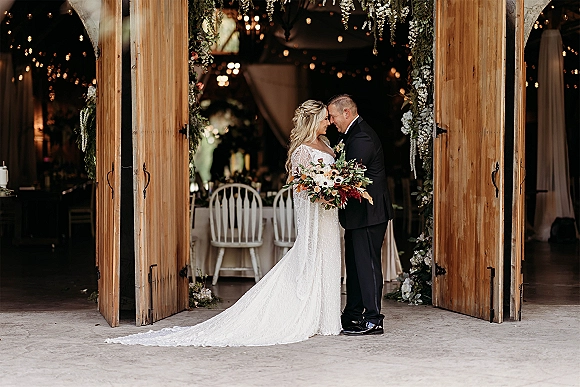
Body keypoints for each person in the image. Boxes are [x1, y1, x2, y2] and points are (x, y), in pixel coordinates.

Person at [106, 100, 341, 347]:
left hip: (329, 213)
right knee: (310, 256)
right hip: (315, 213)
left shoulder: (326, 145)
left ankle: (326, 318)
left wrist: (337, 188)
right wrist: (321, 192)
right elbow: (300, 186)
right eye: (325, 118)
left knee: (329, 256)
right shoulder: (302, 150)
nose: (329, 122)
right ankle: (303, 313)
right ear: (313, 120)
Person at [327, 94, 394, 336]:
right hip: (357, 215)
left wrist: (325, 184)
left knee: (368, 267)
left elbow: (348, 175)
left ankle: (374, 319)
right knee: (355, 267)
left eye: (333, 116)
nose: (331, 121)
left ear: (346, 113)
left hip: (369, 214)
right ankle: (353, 315)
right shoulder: (350, 134)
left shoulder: (362, 136)